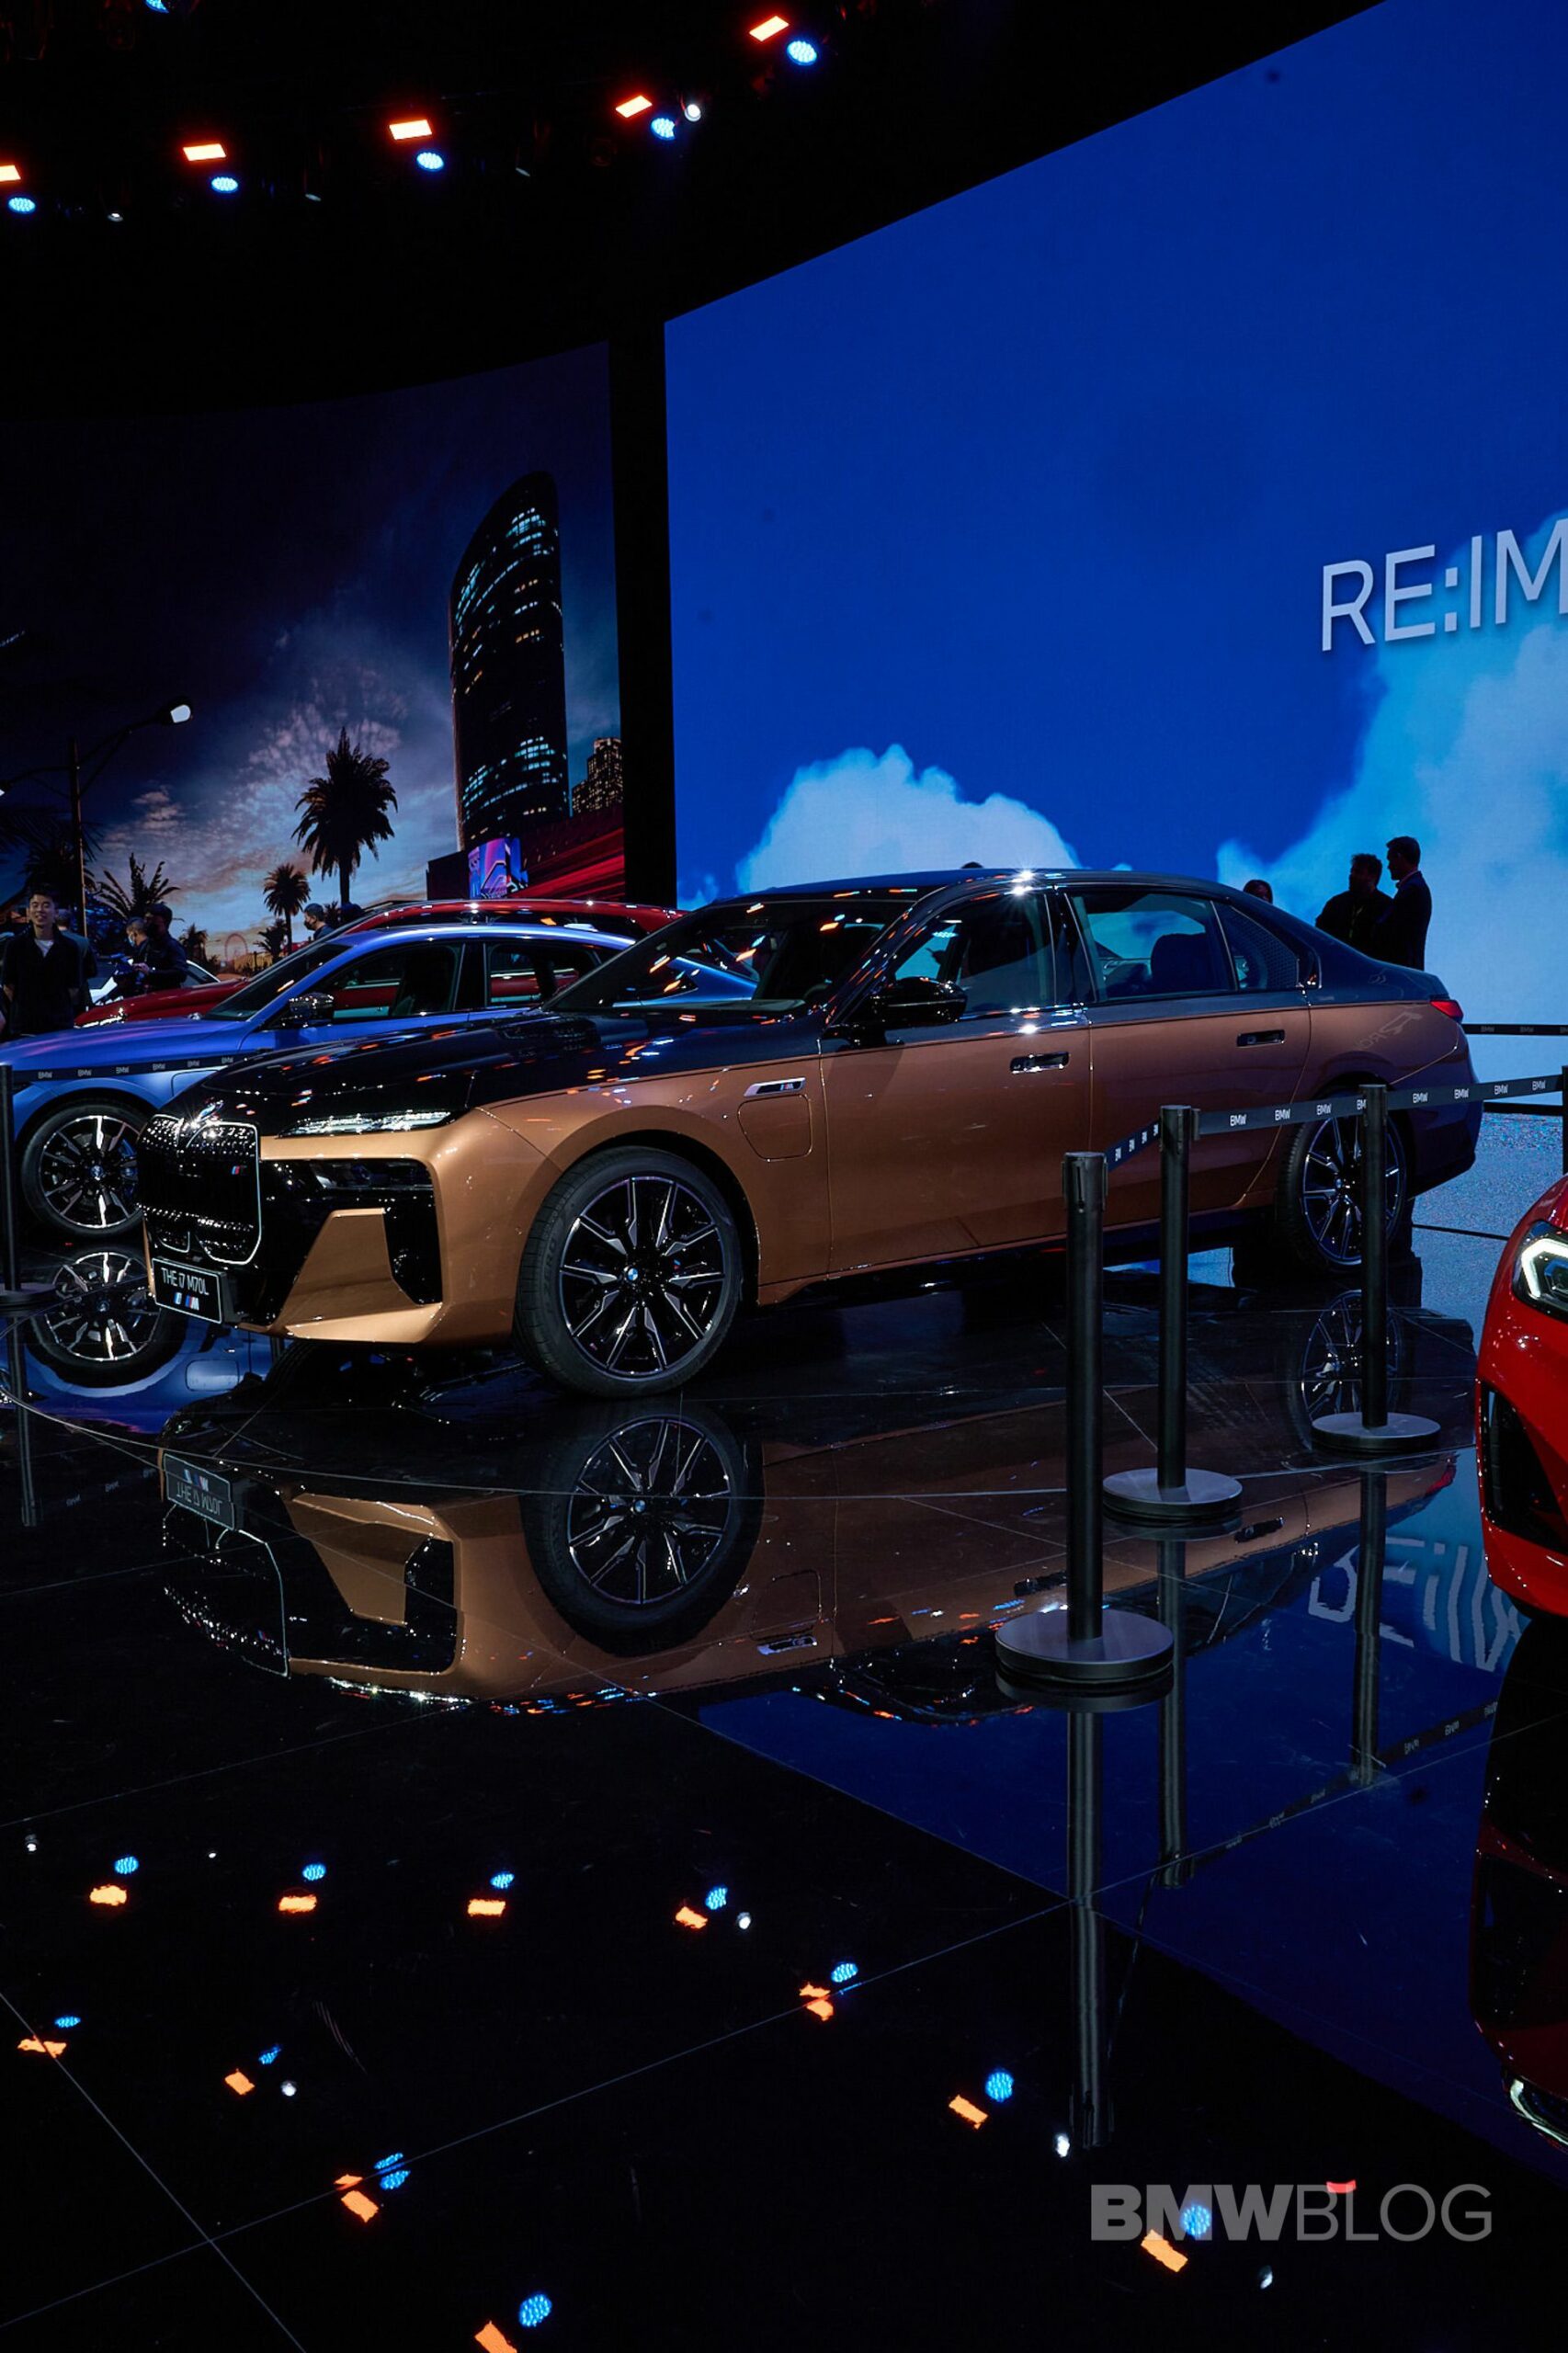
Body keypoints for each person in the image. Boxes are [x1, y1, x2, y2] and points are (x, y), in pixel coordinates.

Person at [1, 889, 87, 1037]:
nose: (40, 910)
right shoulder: (14, 946)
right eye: (35, 905)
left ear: (55, 912)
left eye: (46, 905)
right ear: (28, 912)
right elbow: (9, 986)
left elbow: (73, 988)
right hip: (24, 1027)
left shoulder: (70, 947)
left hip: (60, 1026)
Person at [1316, 853, 1393, 956]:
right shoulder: (1336, 903)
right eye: (1352, 871)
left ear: (1372, 877)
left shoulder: (1387, 908)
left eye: (1358, 872)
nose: (1352, 876)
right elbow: (1318, 935)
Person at [1374, 835, 1432, 970]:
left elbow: (1389, 929)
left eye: (1390, 860)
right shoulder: (1415, 887)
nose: (1388, 866)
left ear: (1399, 857)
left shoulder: (1412, 889)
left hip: (1402, 968)